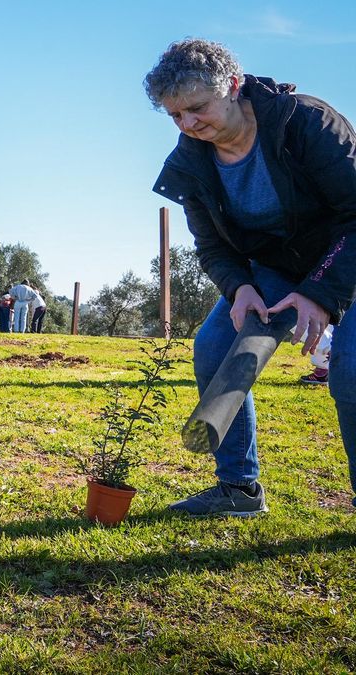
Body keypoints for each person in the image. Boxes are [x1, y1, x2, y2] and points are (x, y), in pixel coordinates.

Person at [146, 38, 356, 513]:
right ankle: (238, 489)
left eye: (197, 108)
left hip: (349, 253)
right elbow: (212, 247)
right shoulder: (191, 163)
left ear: (234, 86)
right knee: (215, 345)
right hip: (277, 268)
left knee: (352, 370)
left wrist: (320, 293)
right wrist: (239, 287)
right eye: (175, 116)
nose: (189, 125)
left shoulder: (304, 122)